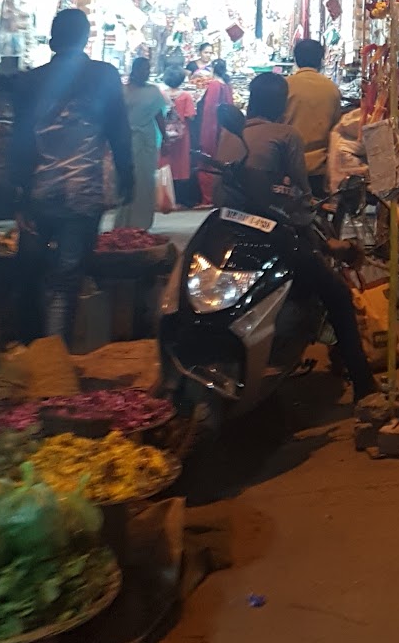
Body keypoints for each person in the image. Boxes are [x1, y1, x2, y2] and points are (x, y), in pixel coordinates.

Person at [216, 72, 376, 400]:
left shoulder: (231, 134)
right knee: (338, 295)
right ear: (282, 104)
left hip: (227, 233)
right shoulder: (286, 135)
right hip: (271, 237)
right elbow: (300, 200)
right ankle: (365, 387)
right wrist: (325, 239)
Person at [9, 8, 133, 343]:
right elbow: (119, 132)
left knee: (33, 270)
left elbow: (19, 143)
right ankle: (54, 356)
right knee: (65, 276)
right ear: (85, 38)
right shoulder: (104, 75)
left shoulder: (30, 81)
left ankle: (32, 349)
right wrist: (128, 176)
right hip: (83, 194)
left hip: (40, 193)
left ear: (52, 40)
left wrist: (18, 195)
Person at [285, 37, 343, 191]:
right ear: (321, 60)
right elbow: (336, 128)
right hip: (319, 166)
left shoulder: (285, 85)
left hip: (288, 165)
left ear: (296, 59)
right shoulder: (331, 89)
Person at [117, 57, 167, 230]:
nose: (145, 72)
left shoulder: (153, 92)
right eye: (142, 69)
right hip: (128, 140)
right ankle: (125, 222)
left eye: (148, 69)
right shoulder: (123, 90)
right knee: (130, 178)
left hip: (146, 140)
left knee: (145, 179)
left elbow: (158, 116)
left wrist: (165, 136)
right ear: (134, 69)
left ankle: (142, 222)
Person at [195, 58, 235, 203]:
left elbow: (209, 111)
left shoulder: (214, 85)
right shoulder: (226, 85)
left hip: (212, 130)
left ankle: (208, 198)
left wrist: (205, 136)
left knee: (208, 162)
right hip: (223, 130)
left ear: (212, 69)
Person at [160, 64, 197, 194]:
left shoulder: (161, 94)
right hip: (182, 136)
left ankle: (164, 194)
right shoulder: (186, 96)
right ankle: (179, 194)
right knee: (180, 162)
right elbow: (190, 116)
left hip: (163, 133)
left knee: (165, 162)